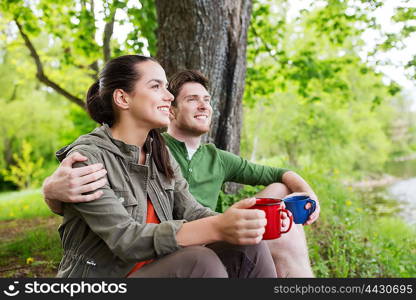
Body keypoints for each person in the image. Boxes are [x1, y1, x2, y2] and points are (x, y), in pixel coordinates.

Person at [43, 69, 319, 277]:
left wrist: (245, 222)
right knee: (201, 261)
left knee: (250, 246)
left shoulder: (157, 150)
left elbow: (194, 210)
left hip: (166, 257)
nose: (168, 96)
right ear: (122, 98)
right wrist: (51, 192)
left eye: (206, 99)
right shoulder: (89, 156)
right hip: (110, 275)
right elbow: (125, 239)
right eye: (157, 87)